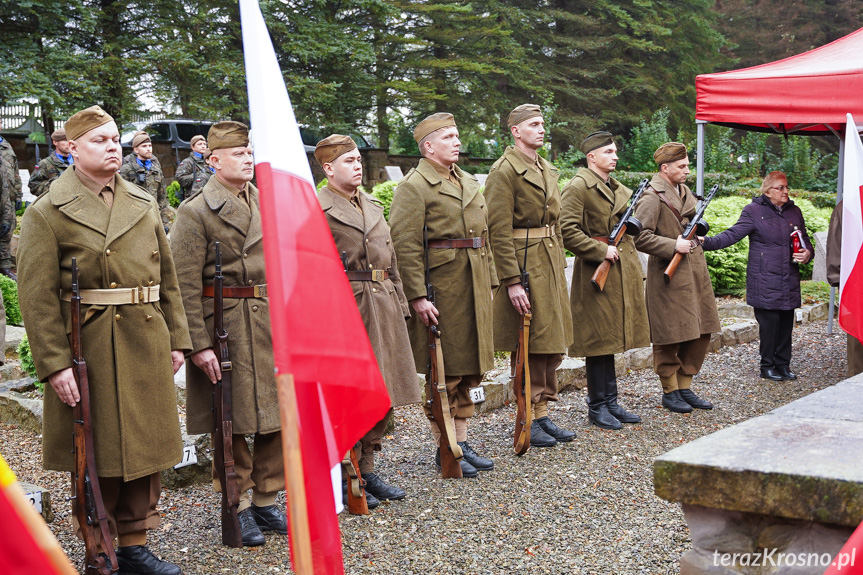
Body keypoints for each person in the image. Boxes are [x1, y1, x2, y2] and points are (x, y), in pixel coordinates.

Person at [17, 105, 190, 575]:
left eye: (115, 139)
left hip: (145, 336)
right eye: (100, 140)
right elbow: (35, 299)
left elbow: (168, 279)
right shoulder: (48, 211)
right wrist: (53, 365)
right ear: (72, 148)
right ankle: (99, 541)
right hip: (88, 346)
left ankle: (135, 542)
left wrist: (179, 337)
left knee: (146, 445)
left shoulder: (141, 199)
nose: (113, 146)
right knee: (98, 451)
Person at [170, 121, 286, 547]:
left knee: (275, 416)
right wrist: (197, 343)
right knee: (231, 420)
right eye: (238, 153)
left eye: (249, 151)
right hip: (225, 325)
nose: (248, 158)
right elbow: (181, 283)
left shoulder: (265, 202)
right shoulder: (195, 211)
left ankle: (267, 500)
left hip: (269, 320)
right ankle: (237, 504)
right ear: (214, 160)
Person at [389, 112, 498, 478]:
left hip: (472, 286)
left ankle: (461, 442)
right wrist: (417, 296)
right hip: (443, 291)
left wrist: (492, 282)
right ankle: (445, 446)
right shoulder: (414, 187)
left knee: (469, 370)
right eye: (449, 137)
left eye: (457, 135)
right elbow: (404, 247)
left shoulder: (466, 180)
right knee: (445, 372)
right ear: (429, 146)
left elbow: (485, 239)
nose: (457, 141)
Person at [315, 134, 421, 507]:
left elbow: (392, 263)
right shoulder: (317, 208)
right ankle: (348, 472)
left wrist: (403, 305)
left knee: (382, 391)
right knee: (353, 392)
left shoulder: (373, 205)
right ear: (328, 169)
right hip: (348, 307)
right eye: (348, 161)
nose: (358, 165)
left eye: (359, 159)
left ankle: (369, 465)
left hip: (384, 306)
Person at [485, 104, 574, 446]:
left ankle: (543, 413)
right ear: (516, 131)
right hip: (524, 264)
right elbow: (497, 228)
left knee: (551, 342)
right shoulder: (504, 171)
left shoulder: (546, 167)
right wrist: (510, 280)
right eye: (533, 124)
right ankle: (527, 415)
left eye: (542, 123)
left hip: (548, 260)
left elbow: (557, 220)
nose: (541, 129)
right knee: (529, 344)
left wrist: (560, 260)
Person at [560, 131, 650, 429]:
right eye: (609, 152)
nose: (615, 156)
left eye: (615, 151)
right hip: (595, 271)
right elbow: (568, 230)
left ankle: (611, 402)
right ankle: (597, 406)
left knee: (611, 337)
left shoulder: (617, 187)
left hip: (620, 269)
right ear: (592, 157)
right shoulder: (578, 187)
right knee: (597, 339)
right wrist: (601, 250)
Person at [633, 142, 720, 413]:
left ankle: (685, 386)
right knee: (670, 333)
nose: (687, 171)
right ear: (665, 168)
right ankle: (670, 390)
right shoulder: (651, 196)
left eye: (687, 165)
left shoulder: (684, 191)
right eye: (682, 166)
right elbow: (640, 237)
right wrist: (673, 245)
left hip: (694, 270)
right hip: (668, 275)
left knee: (700, 330)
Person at [701, 171, 811, 381]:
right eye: (781, 188)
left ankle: (783, 365)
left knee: (786, 325)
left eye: (787, 187)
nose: (786, 191)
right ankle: (767, 366)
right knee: (769, 327)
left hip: (788, 279)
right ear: (768, 191)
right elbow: (732, 234)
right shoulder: (753, 211)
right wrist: (706, 242)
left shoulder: (794, 211)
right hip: (764, 280)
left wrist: (807, 254)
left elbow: (805, 241)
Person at [823, 201, 862, 376]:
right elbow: (836, 241)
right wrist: (837, 278)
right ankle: (856, 382)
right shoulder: (848, 205)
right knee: (857, 334)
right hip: (856, 280)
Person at [118, 131, 170, 231]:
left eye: (150, 145)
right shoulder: (126, 169)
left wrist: (164, 223)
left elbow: (162, 197)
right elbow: (121, 197)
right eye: (144, 146)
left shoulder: (155, 169)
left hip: (154, 217)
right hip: (135, 219)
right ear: (136, 150)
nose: (148, 148)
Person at [0, 118, 21, 279]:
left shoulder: (6, 145)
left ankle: (5, 266)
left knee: (7, 228)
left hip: (7, 195)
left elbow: (15, 171)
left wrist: (18, 194)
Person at [29, 128, 74, 197]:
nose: (68, 144)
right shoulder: (46, 164)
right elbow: (34, 186)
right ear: (55, 142)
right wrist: (56, 184)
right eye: (65, 140)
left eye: (70, 140)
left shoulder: (79, 161)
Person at [174, 135, 213, 200]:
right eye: (200, 144)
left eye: (204, 144)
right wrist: (197, 176)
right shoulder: (188, 162)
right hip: (193, 196)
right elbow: (181, 179)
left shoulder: (208, 160)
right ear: (193, 147)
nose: (203, 146)